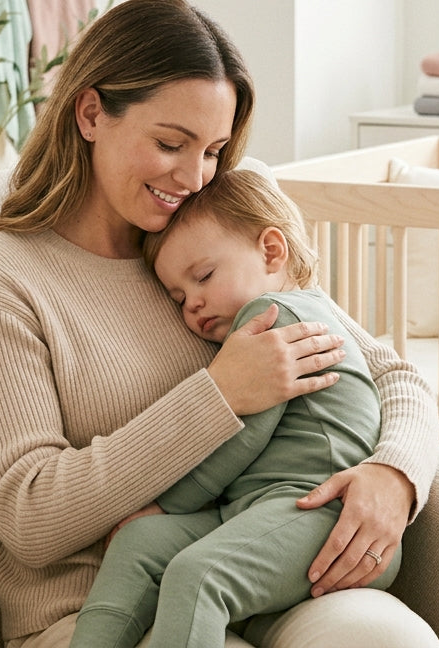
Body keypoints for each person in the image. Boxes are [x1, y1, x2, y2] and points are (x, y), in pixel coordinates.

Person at [0, 0, 439, 648]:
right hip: (99, 613)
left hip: (260, 574)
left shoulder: (216, 245)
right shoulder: (1, 279)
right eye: (171, 144)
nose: (194, 176)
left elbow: (392, 374)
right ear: (91, 113)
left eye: (212, 150)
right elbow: (29, 516)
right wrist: (221, 394)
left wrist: (394, 475)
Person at [69, 168, 399, 648]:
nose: (193, 306)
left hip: (323, 515)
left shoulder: (276, 317)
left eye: (203, 277)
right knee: (138, 545)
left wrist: (165, 505)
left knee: (196, 575)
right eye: (179, 298)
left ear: (271, 251)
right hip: (256, 510)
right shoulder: (286, 317)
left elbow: (241, 437)